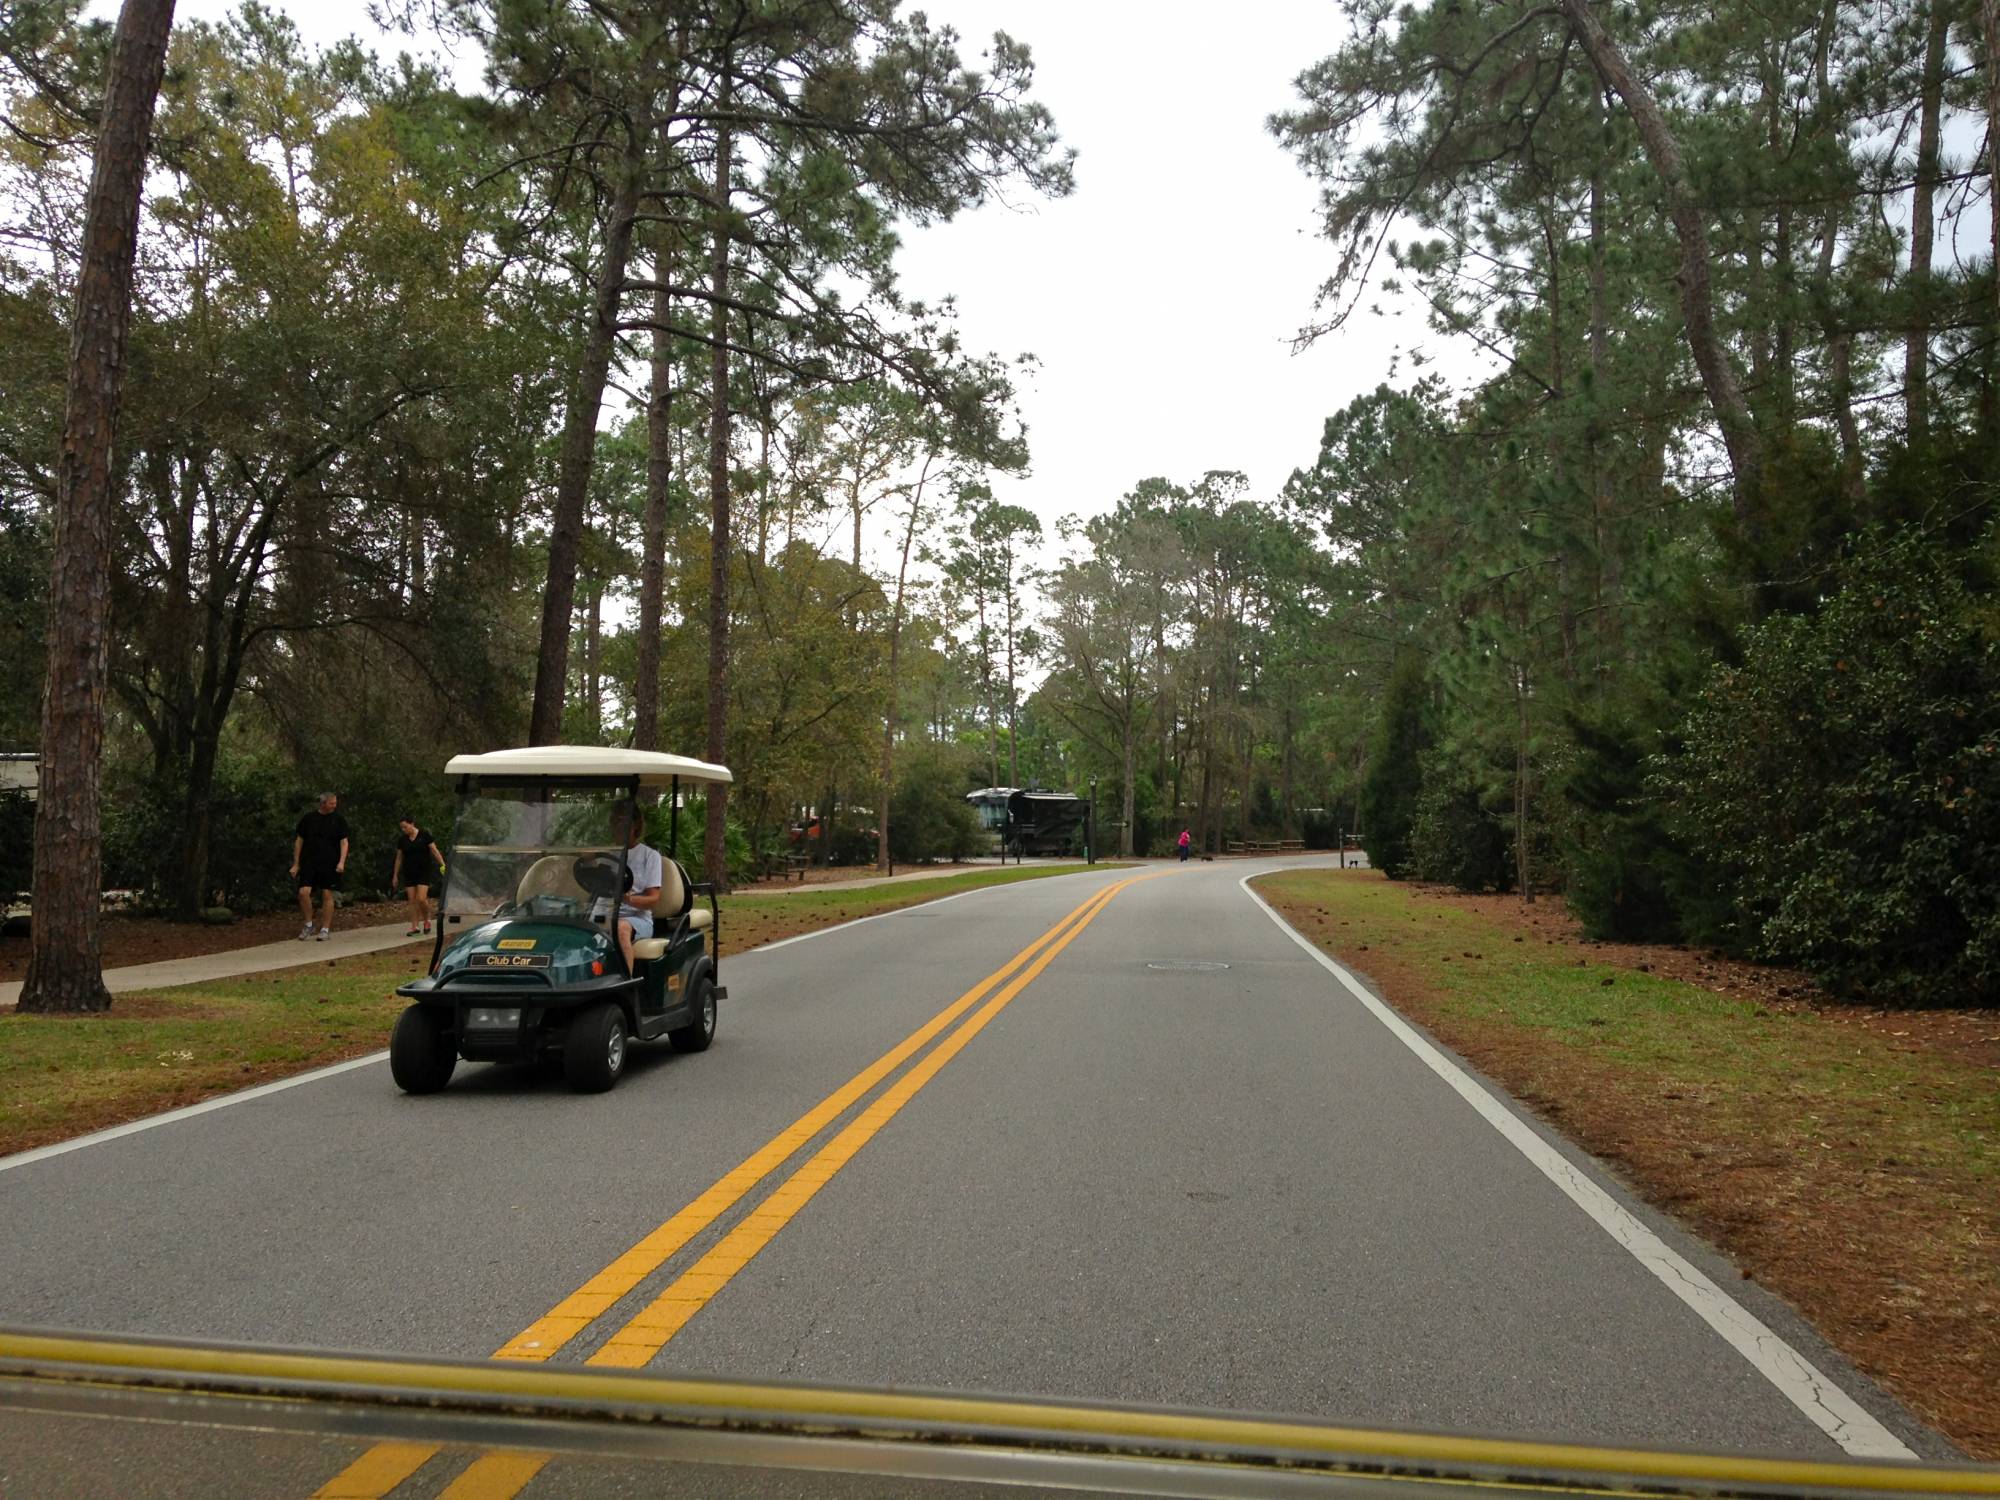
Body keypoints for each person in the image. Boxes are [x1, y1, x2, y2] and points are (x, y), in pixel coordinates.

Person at [610, 799, 663, 975]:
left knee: (620, 928)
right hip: (604, 914)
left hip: (636, 919)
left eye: (622, 821)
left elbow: (654, 899)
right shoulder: (607, 854)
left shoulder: (650, 856)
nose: (617, 826)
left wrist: (628, 898)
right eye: (614, 821)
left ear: (635, 825)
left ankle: (624, 987)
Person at [291, 792, 349, 940]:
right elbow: (299, 841)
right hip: (309, 861)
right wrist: (296, 863)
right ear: (323, 803)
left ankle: (325, 928)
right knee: (303, 892)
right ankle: (309, 924)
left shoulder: (338, 820)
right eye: (331, 803)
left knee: (327, 894)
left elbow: (344, 842)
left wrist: (341, 861)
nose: (334, 806)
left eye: (335, 803)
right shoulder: (308, 819)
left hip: (330, 862)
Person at [391, 817, 442, 938]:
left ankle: (427, 919)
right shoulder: (402, 840)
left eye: (405, 826)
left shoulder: (424, 835)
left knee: (421, 898)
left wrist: (443, 864)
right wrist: (395, 875)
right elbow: (399, 858)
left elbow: (434, 851)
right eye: (402, 828)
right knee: (412, 900)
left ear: (412, 824)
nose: (404, 830)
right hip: (409, 872)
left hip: (423, 871)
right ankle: (415, 926)